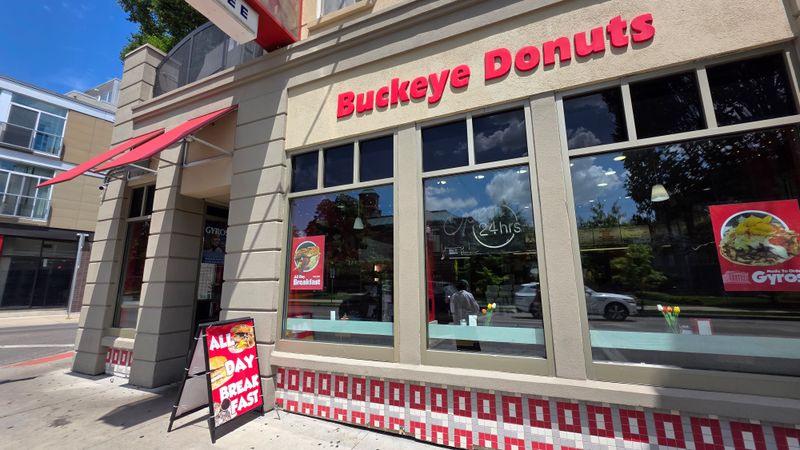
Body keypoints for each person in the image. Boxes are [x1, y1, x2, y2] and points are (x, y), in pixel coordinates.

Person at [450, 280, 481, 351]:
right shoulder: (468, 295)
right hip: (468, 319)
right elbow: (476, 308)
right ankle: (472, 349)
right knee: (471, 336)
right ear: (466, 286)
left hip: (457, 320)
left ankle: (461, 348)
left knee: (460, 337)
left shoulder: (453, 296)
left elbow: (452, 309)